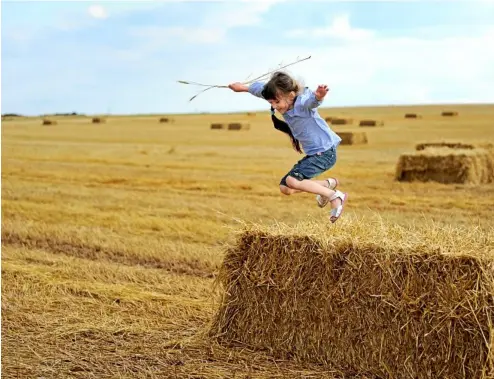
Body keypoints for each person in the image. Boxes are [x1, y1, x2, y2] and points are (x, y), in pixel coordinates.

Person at [228, 71, 347, 223]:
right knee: (286, 188)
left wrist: (319, 96)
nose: (274, 106)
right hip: (314, 154)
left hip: (324, 152)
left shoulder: (303, 103)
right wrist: (242, 88)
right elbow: (259, 90)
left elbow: (313, 102)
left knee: (292, 180)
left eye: (276, 103)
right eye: (271, 103)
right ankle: (327, 185)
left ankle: (334, 196)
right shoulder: (277, 96)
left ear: (290, 96)